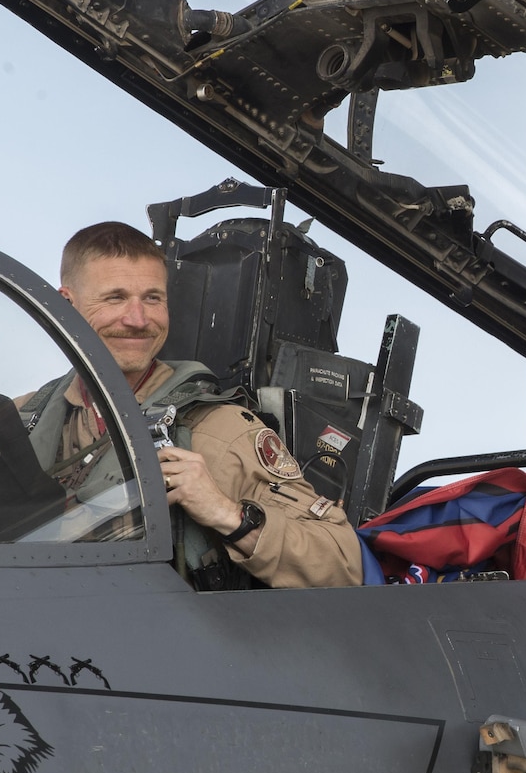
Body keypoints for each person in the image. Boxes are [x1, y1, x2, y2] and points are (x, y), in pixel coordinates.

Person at [20, 222, 361, 589]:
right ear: (66, 305)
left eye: (152, 298)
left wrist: (228, 515)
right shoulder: (22, 419)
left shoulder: (217, 431)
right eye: (115, 298)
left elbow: (341, 563)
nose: (138, 320)